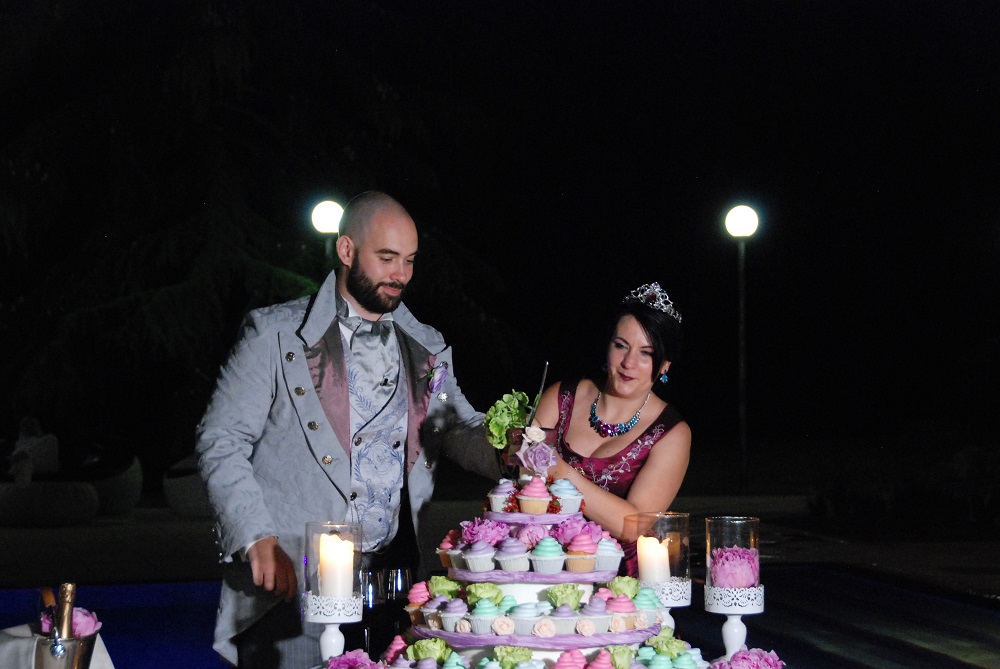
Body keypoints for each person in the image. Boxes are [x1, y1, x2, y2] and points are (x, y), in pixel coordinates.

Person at [195, 191, 499, 668]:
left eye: (409, 261)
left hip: (393, 582)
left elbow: (457, 426)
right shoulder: (274, 335)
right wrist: (255, 536)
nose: (400, 274)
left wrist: (510, 448)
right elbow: (221, 441)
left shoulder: (428, 346)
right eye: (387, 258)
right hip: (292, 581)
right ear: (346, 250)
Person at [532, 282, 691, 576]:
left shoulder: (671, 433)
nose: (629, 363)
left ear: (665, 365)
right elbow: (521, 479)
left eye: (646, 353)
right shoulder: (560, 396)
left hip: (617, 586)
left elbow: (631, 524)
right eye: (621, 346)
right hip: (538, 565)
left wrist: (559, 471)